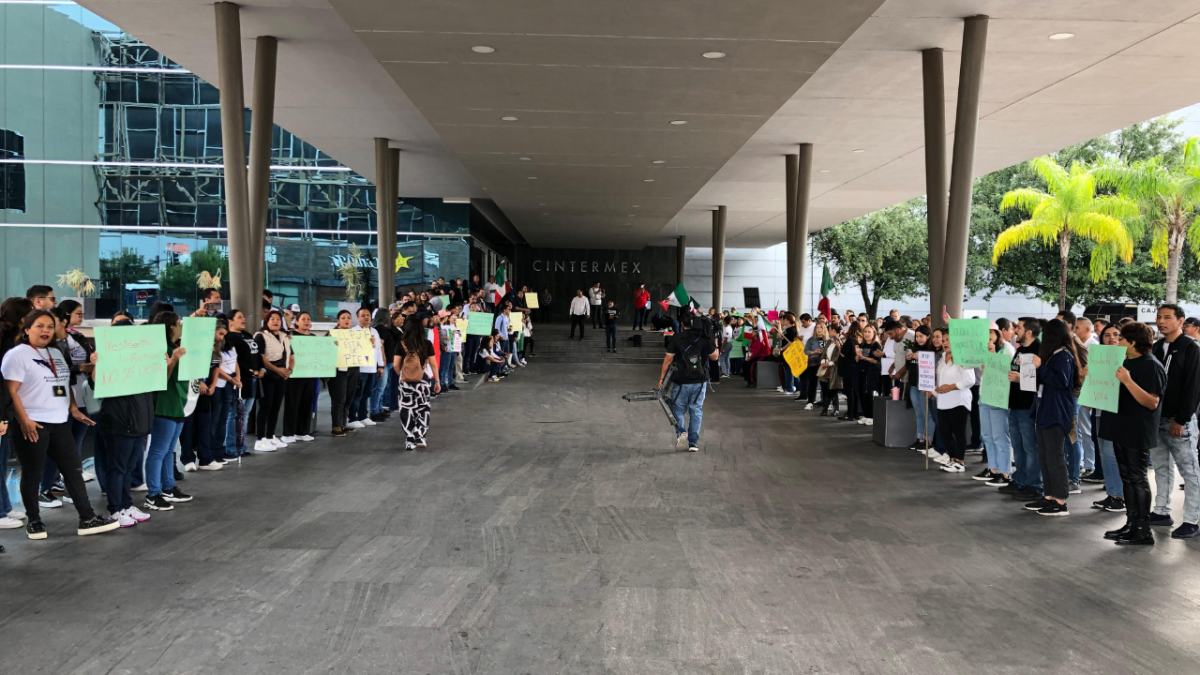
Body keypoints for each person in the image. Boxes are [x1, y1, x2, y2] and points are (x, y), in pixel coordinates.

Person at [2, 310, 119, 539]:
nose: (45, 330)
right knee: (33, 473)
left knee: (73, 471)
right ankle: (34, 522)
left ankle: (87, 518)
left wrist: (73, 409)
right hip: (33, 423)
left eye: (49, 326)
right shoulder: (17, 355)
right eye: (39, 326)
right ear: (26, 330)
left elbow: (62, 384)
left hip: (59, 422)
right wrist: (24, 420)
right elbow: (10, 392)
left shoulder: (55, 352)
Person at [1099, 322, 1167, 545]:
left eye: (1121, 338)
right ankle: (1131, 523)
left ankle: (1143, 528)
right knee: (1127, 477)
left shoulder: (1150, 365)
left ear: (1133, 341)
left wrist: (1127, 381)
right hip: (1121, 426)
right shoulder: (1126, 362)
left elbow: (1151, 402)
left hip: (1137, 429)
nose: (1117, 342)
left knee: (1137, 479)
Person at [1149, 304, 1200, 538]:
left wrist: (1181, 419)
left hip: (1179, 421)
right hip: (1157, 418)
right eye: (1159, 317)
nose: (1161, 321)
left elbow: (1193, 387)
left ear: (1181, 321)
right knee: (1161, 467)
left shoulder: (1191, 348)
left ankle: (1192, 519)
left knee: (1189, 471)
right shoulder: (1156, 347)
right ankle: (1161, 511)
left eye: (1167, 317)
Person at [1025, 319, 1080, 517]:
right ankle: (1048, 494)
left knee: (1055, 457)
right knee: (1045, 455)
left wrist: (1041, 368)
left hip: (1056, 412)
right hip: (1045, 409)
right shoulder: (1052, 355)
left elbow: (1061, 381)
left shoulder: (1063, 355)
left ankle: (1060, 499)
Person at [143, 311, 192, 511]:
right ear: (171, 326)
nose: (181, 326)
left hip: (178, 403)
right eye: (178, 323)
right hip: (164, 404)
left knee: (168, 450)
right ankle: (153, 493)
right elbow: (160, 379)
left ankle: (168, 486)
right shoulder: (161, 349)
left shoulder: (175, 347)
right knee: (158, 450)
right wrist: (172, 360)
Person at [658, 315, 719, 453]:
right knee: (696, 410)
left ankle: (681, 432)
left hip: (681, 381)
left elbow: (668, 359)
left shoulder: (676, 338)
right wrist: (715, 340)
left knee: (677, 410)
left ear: (682, 324)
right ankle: (693, 443)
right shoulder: (704, 338)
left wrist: (662, 379)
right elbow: (714, 357)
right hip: (699, 382)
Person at [1000, 318, 1043, 502]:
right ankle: (1020, 478)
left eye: (1019, 327)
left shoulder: (1038, 351)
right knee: (1017, 445)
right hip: (1015, 403)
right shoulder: (1020, 350)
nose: (1015, 330)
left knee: (1030, 446)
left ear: (1030, 332)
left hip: (1028, 405)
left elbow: (1041, 380)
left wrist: (1020, 380)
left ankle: (1034, 484)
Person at [1089, 323, 1130, 513]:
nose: (1112, 338)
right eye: (1107, 335)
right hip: (1100, 411)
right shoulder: (1098, 359)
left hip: (1120, 415)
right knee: (1105, 455)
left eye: (1116, 334)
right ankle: (1113, 494)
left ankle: (1120, 496)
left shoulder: (1128, 359)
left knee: (1114, 455)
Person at [975, 326, 1015, 485]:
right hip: (984, 394)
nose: (989, 337)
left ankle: (1005, 472)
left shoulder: (1007, 350)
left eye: (991, 333)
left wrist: (992, 356)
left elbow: (1006, 372)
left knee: (1000, 435)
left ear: (998, 334)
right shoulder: (985, 349)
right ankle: (993, 468)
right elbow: (984, 371)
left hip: (998, 397)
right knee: (987, 434)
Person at [931, 333, 975, 473]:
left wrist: (950, 387)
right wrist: (933, 390)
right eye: (943, 341)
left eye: (948, 340)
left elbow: (970, 380)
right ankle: (952, 458)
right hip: (943, 401)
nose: (945, 343)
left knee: (959, 432)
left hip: (959, 401)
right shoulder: (942, 358)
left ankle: (960, 461)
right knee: (945, 432)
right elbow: (941, 380)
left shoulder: (963, 358)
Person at [394, 316, 439, 449]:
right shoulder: (426, 344)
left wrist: (403, 374)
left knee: (406, 409)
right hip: (423, 380)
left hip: (405, 382)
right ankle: (420, 436)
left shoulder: (401, 343)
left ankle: (410, 438)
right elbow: (434, 364)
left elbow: (396, 365)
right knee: (423, 407)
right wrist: (437, 380)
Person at [254, 310, 292, 451]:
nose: (275, 321)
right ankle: (260, 438)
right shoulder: (261, 336)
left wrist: (288, 370)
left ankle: (271, 436)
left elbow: (290, 355)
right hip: (268, 375)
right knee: (265, 407)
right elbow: (261, 357)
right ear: (266, 321)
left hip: (282, 376)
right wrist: (277, 370)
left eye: (278, 319)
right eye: (272, 319)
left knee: (276, 407)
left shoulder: (284, 336)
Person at [281, 311, 317, 443]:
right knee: (292, 403)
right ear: (297, 322)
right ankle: (288, 433)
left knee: (307, 403)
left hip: (310, 374)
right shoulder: (291, 336)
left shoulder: (314, 338)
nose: (307, 321)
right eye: (303, 319)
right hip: (294, 375)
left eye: (309, 319)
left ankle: (303, 431)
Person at [347, 307, 383, 430]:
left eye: (368, 315)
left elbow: (378, 350)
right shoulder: (354, 331)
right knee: (357, 394)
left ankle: (363, 416)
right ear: (358, 318)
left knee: (367, 393)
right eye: (363, 315)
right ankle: (352, 418)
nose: (366, 317)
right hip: (360, 369)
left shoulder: (375, 331)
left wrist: (380, 365)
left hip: (372, 368)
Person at [329, 310, 360, 438]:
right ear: (338, 320)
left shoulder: (355, 334)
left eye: (348, 318)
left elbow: (363, 349)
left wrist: (371, 343)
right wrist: (331, 344)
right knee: (339, 399)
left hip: (353, 368)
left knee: (348, 397)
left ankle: (343, 423)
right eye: (343, 318)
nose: (346, 320)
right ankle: (336, 426)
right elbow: (324, 351)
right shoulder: (331, 334)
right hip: (338, 370)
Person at [906, 326, 935, 449]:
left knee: (927, 413)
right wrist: (908, 359)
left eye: (921, 336)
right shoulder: (914, 349)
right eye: (917, 336)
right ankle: (920, 438)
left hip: (925, 385)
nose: (918, 339)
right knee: (918, 413)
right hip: (913, 384)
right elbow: (909, 367)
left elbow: (933, 365)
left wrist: (921, 358)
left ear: (928, 336)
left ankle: (929, 440)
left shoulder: (932, 350)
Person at [854, 324, 883, 426]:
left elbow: (876, 361)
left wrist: (863, 357)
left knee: (869, 393)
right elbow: (857, 359)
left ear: (874, 333)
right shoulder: (861, 345)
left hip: (872, 372)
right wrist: (858, 355)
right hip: (861, 371)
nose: (866, 334)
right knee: (861, 392)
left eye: (869, 332)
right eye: (865, 332)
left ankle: (872, 416)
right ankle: (866, 415)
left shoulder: (876, 345)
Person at [798, 323, 826, 408]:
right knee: (812, 383)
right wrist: (814, 352)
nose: (818, 329)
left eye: (820, 327)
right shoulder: (811, 340)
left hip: (824, 364)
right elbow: (806, 351)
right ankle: (810, 401)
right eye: (817, 327)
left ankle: (826, 402)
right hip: (813, 363)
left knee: (824, 384)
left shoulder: (828, 340)